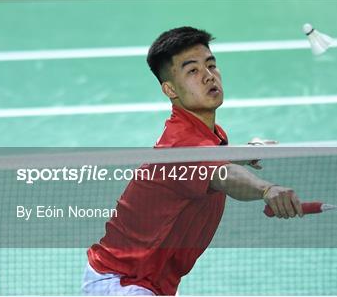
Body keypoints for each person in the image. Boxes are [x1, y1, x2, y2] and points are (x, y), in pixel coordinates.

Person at [82, 26, 303, 296]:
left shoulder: (208, 134)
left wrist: (244, 151)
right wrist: (266, 190)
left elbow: (213, 159)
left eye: (211, 65)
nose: (208, 76)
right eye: (192, 71)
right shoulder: (180, 147)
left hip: (147, 282)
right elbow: (223, 175)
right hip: (122, 282)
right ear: (170, 90)